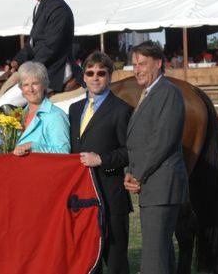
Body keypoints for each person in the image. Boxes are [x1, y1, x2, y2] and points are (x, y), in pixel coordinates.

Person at [123, 41, 188, 274]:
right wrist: (131, 170)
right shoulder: (150, 93)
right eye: (134, 65)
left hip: (161, 185)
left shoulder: (167, 93)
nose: (137, 70)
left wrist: (137, 173)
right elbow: (141, 141)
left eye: (142, 64)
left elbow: (162, 141)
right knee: (161, 253)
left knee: (153, 258)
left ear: (158, 63)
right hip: (153, 185)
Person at [69, 51, 133, 274]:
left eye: (101, 73)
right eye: (90, 73)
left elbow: (130, 152)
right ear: (83, 77)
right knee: (88, 262)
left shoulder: (122, 110)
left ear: (110, 76)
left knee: (116, 263)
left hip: (111, 196)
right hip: (82, 199)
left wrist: (102, 159)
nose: (95, 78)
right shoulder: (74, 109)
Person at [0, 0, 76, 110]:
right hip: (42, 67)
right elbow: (32, 45)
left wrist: (25, 71)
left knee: (2, 104)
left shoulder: (57, 8)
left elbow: (50, 49)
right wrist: (16, 61)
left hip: (56, 69)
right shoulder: (41, 5)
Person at [12, 61, 70, 155]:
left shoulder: (56, 116)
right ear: (21, 88)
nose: (30, 89)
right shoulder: (18, 115)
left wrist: (34, 147)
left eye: (35, 83)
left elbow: (64, 152)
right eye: (26, 85)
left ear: (44, 85)